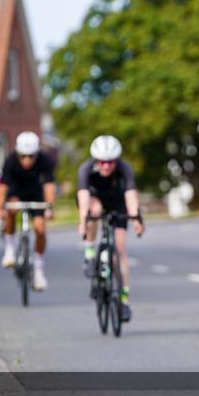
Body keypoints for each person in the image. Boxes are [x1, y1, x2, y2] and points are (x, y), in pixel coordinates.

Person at [77, 136, 144, 318]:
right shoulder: (86, 169)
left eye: (110, 162)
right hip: (94, 199)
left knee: (120, 250)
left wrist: (136, 219)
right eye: (102, 162)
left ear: (116, 160)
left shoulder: (124, 168)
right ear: (95, 160)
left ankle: (124, 299)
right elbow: (83, 198)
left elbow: (131, 195)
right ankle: (90, 253)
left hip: (117, 202)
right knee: (95, 210)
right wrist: (83, 222)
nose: (106, 166)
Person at [0, 131, 55, 291]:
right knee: (11, 209)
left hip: (35, 193)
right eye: (23, 156)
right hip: (16, 192)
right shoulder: (10, 160)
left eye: (30, 156)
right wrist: (1, 208)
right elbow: (2, 188)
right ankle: (10, 248)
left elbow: (49, 185)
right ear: (18, 153)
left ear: (36, 153)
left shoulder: (44, 160)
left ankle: (38, 270)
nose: (27, 160)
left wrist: (49, 206)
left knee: (40, 228)